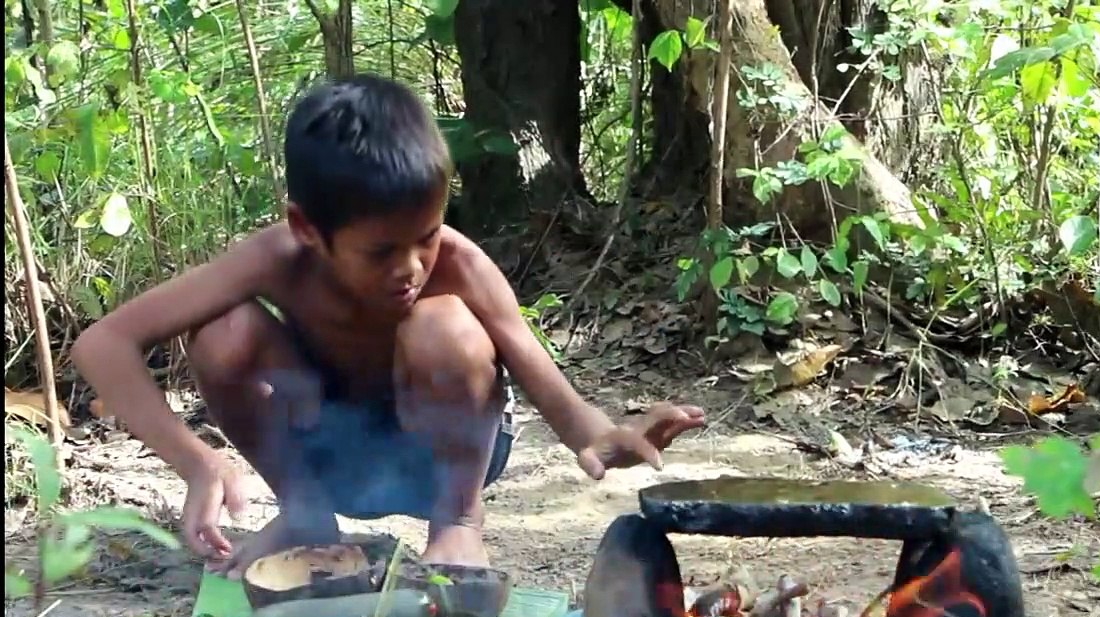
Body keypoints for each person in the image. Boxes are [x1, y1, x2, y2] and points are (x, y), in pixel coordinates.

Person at [70, 73, 705, 579]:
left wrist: (598, 435)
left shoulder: (457, 263)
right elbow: (105, 344)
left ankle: (457, 524)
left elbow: (536, 368)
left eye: (425, 236)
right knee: (222, 330)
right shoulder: (273, 259)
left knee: (446, 326)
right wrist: (197, 463)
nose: (411, 267)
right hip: (332, 449)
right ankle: (306, 513)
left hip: (443, 456)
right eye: (380, 251)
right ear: (306, 230)